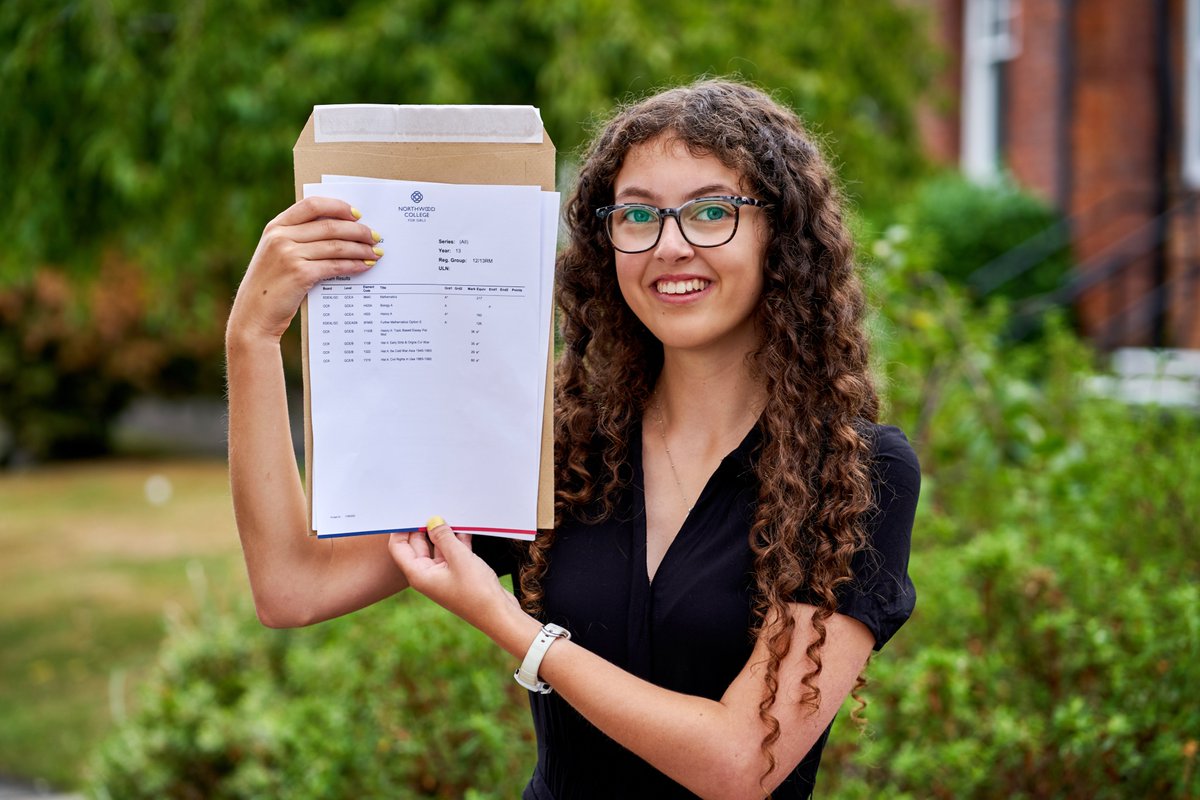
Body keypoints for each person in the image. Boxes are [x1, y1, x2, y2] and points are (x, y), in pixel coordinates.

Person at [226, 79, 919, 799]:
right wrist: (252, 338)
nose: (670, 246)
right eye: (638, 215)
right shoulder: (559, 450)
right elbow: (292, 588)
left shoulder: (856, 474)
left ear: (781, 234)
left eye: (712, 211)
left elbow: (743, 762)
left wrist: (517, 631)